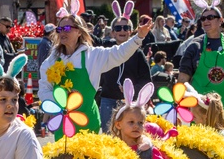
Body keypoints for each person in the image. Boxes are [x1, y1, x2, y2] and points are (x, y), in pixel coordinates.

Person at [39, 10, 154, 140]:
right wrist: (61, 100)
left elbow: (119, 53)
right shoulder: (51, 61)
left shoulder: (92, 55)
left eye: (67, 28)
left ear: (79, 31)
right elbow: (43, 90)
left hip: (88, 120)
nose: (62, 32)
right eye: (59, 29)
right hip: (64, 123)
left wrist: (138, 37)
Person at [176, 0, 224, 119]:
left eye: (210, 17)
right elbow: (183, 76)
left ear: (220, 21)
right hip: (202, 110)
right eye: (203, 19)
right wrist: (179, 102)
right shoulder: (194, 46)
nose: (206, 21)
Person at [98, 14, 152, 131]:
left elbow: (146, 80)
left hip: (130, 103)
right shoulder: (106, 47)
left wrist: (133, 90)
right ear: (112, 32)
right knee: (109, 137)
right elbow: (90, 39)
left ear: (130, 32)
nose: (122, 30)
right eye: (118, 28)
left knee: (129, 136)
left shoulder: (138, 53)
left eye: (126, 28)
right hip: (108, 99)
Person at [108, 79, 171, 159]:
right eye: (131, 122)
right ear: (118, 124)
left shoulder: (146, 148)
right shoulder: (112, 148)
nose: (136, 126)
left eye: (140, 123)